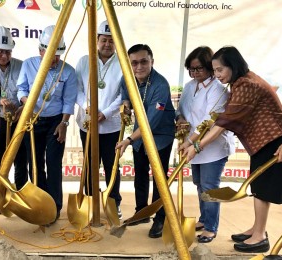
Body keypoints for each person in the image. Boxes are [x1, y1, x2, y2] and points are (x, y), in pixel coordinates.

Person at [183, 46, 282, 253]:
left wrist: (196, 145)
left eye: (219, 70)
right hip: (262, 142)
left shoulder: (246, 84)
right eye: (215, 70)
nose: (217, 75)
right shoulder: (240, 82)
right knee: (258, 188)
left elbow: (222, 123)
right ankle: (257, 229)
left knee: (262, 190)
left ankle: (259, 237)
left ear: (233, 65)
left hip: (271, 141)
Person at [17, 25, 77, 225]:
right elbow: (21, 90)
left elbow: (68, 101)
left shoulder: (68, 71)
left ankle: (55, 207)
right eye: (50, 54)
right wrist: (28, 103)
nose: (54, 59)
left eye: (58, 55)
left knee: (53, 164)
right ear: (40, 50)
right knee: (34, 163)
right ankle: (40, 204)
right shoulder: (28, 65)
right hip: (32, 120)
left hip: (55, 122)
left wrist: (64, 123)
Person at [115, 44, 175, 238]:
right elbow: (125, 94)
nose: (139, 67)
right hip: (139, 136)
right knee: (140, 174)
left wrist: (128, 140)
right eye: (134, 63)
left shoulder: (160, 85)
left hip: (160, 136)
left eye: (143, 62)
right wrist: (125, 105)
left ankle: (160, 219)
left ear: (152, 62)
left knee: (159, 179)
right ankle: (142, 213)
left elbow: (151, 122)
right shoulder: (128, 78)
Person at [176, 46, 235, 243]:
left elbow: (208, 124)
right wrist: (180, 119)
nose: (194, 73)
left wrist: (191, 142)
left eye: (198, 69)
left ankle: (210, 227)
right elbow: (180, 109)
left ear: (210, 67)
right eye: (191, 69)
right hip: (192, 146)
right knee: (199, 184)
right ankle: (204, 218)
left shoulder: (217, 89)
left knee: (210, 187)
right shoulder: (189, 86)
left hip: (213, 148)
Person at [75, 20, 124, 219]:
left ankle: (114, 203)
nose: (107, 44)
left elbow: (123, 94)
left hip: (111, 126)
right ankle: (91, 201)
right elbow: (76, 89)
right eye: (104, 40)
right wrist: (88, 108)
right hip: (86, 124)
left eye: (111, 41)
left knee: (112, 166)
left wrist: (106, 113)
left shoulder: (123, 63)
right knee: (89, 165)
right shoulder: (84, 61)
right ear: (96, 40)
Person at [0, 26, 28, 191]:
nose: (4, 56)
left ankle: (21, 193)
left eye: (8, 52)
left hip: (18, 121)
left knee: (21, 159)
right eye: (0, 51)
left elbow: (30, 90)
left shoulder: (22, 66)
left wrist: (23, 105)